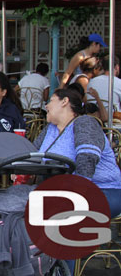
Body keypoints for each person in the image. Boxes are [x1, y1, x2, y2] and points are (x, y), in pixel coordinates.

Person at [34, 86, 121, 218]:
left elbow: (87, 158)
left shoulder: (85, 122)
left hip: (102, 190)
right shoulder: (50, 129)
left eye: (51, 101)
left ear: (64, 102)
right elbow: (32, 154)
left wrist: (75, 195)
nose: (46, 106)